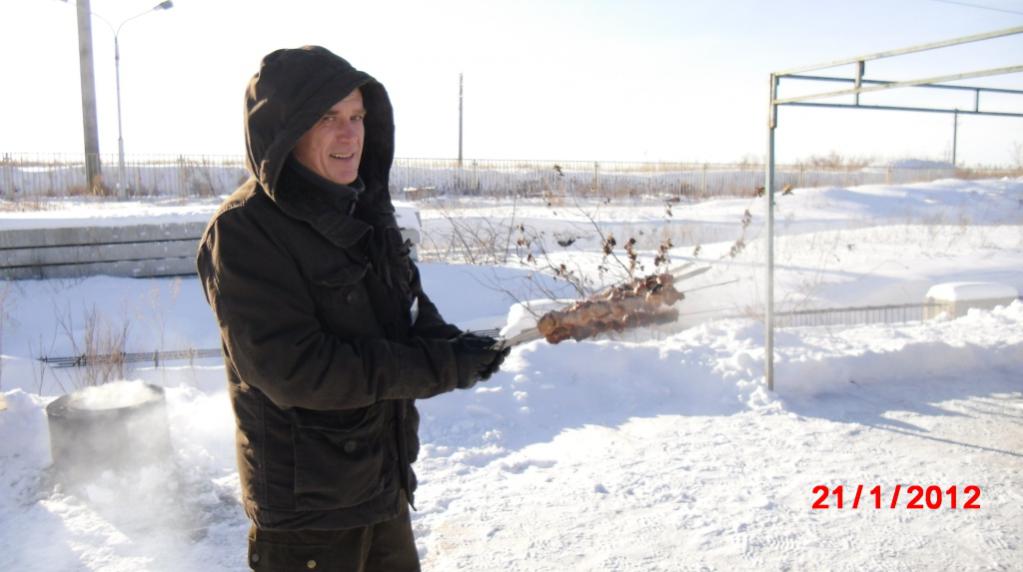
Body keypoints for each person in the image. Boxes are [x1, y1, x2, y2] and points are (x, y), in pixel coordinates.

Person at [196, 45, 509, 571]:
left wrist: (459, 347)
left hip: (381, 487)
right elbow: (297, 370)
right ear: (286, 129)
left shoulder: (364, 208)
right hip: (309, 515)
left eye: (357, 117)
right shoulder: (245, 231)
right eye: (327, 118)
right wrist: (440, 366)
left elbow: (408, 312)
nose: (350, 135)